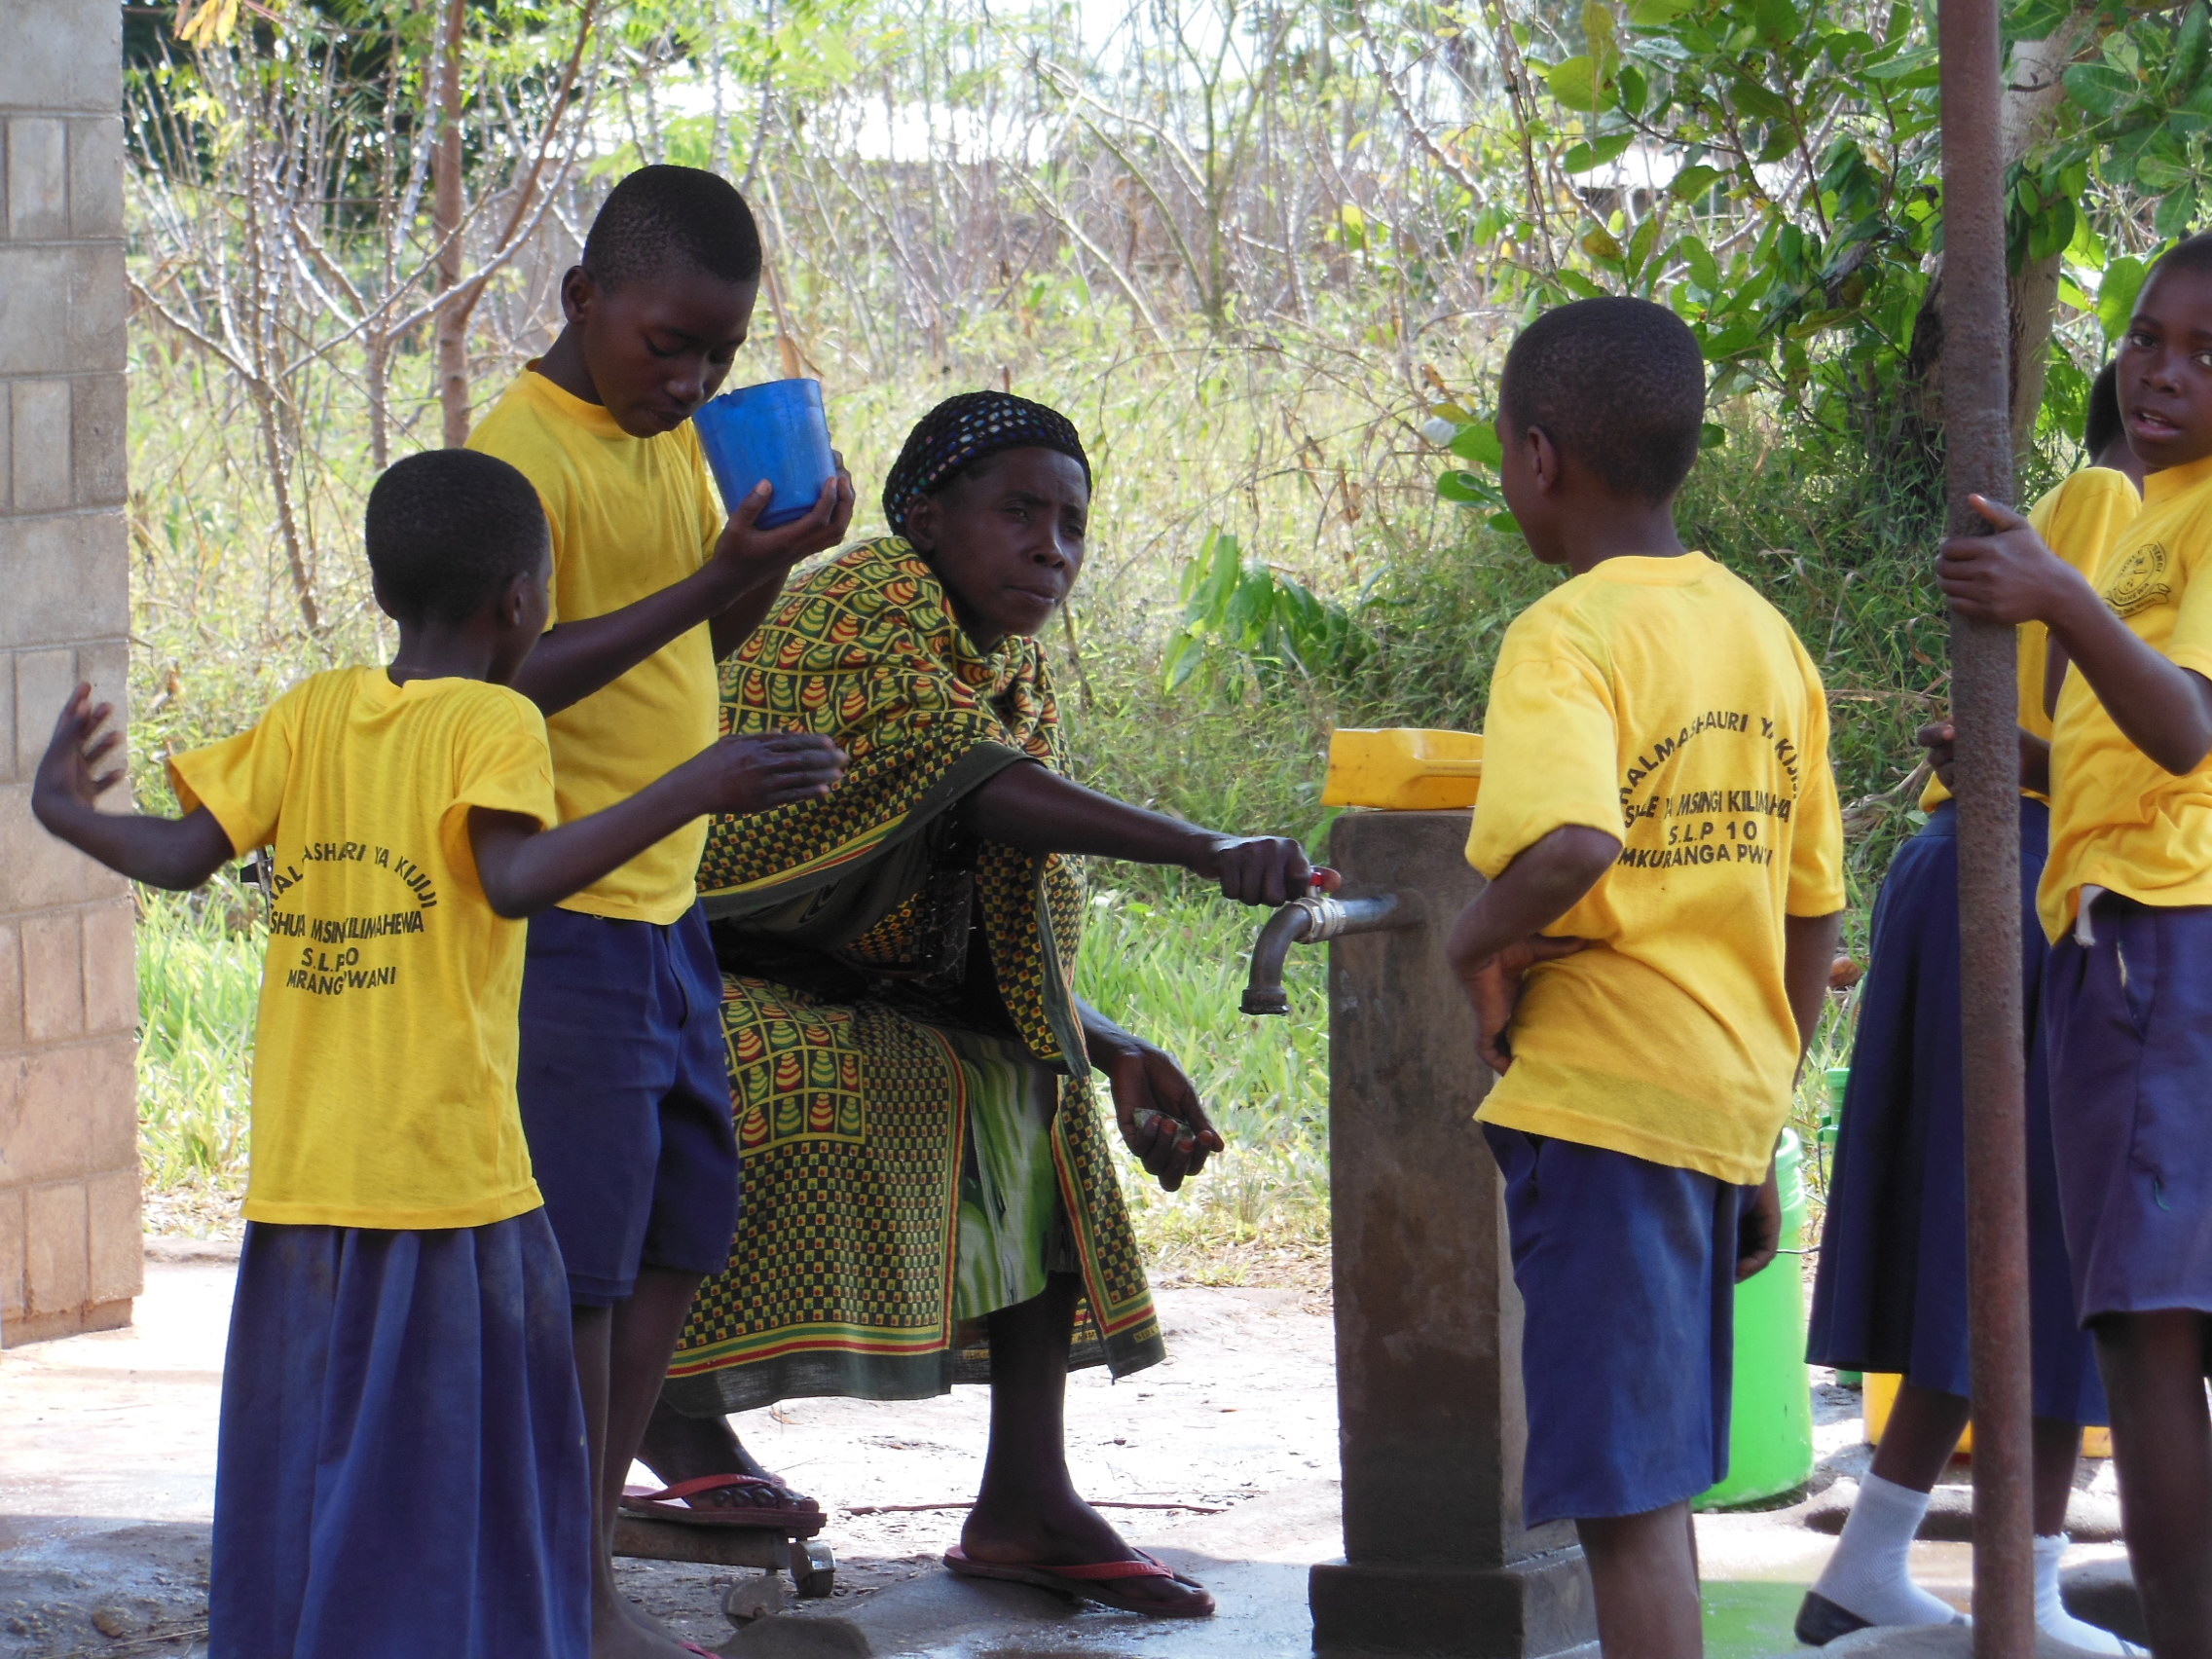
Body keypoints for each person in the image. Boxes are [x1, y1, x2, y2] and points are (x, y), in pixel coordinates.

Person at [26, 449, 846, 1659]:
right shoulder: (493, 720)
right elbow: (510, 880)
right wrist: (695, 786)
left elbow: (181, 854)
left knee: (317, 1454)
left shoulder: (313, 711)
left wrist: (70, 816)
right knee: (458, 1472)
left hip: (307, 1184)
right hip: (448, 1185)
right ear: (522, 600)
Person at [617, 390, 1321, 1618]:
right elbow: (979, 789)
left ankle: (1025, 1500)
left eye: (1072, 523)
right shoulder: (864, 601)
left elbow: (990, 911)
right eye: (1020, 513)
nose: (1051, 547)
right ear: (927, 518)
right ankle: (675, 1432)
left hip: (846, 989)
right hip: (679, 972)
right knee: (771, 1087)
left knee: (1031, 1097)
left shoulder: (1008, 663)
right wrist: (1203, 846)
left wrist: (1110, 1046)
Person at [466, 165, 857, 1659]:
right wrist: (707, 586)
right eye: (666, 347)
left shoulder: (673, 441)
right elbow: (496, 679)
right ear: (581, 301)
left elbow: (700, 632)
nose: (691, 379)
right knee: (582, 1272)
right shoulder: (524, 457)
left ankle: (576, 1563)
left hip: (665, 908)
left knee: (681, 1225)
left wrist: (758, 566)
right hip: (566, 913)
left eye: (719, 357)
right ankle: (570, 1592)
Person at [1443, 297, 1846, 1659]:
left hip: (1606, 1111)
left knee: (1623, 1504)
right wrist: (1759, 1116)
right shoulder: (1765, 638)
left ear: (1540, 458)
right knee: (1656, 1485)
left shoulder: (1565, 639)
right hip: (1716, 1112)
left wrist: (1473, 942)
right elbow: (1812, 923)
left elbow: (1569, 841)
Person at [1797, 366, 2143, 1652]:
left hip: (2013, 873)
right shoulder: (2117, 496)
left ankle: (1881, 1556)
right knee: (2040, 1242)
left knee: (1995, 1241)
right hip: (2024, 876)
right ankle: (2028, 1586)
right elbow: (2078, 726)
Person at [1938, 232, 2212, 1659]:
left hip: (2161, 944)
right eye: (2149, 338)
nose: (2163, 372)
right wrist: (2024, 764)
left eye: (2206, 355)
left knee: (2150, 1333)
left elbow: (2184, 727)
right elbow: (2128, 745)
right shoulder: (2153, 515)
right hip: (2138, 930)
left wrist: (2059, 597)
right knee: (2158, 1324)